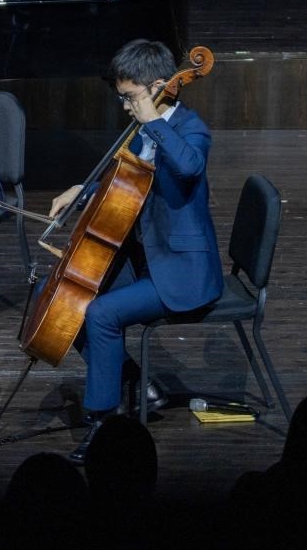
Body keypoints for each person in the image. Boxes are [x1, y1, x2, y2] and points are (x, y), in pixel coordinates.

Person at [47, 38, 223, 464]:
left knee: (101, 313)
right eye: (122, 98)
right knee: (63, 298)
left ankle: (103, 423)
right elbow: (123, 182)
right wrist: (82, 190)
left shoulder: (190, 129)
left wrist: (153, 121)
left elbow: (189, 166)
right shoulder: (141, 129)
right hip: (144, 258)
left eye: (130, 97)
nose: (126, 107)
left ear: (159, 87)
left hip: (182, 270)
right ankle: (137, 384)